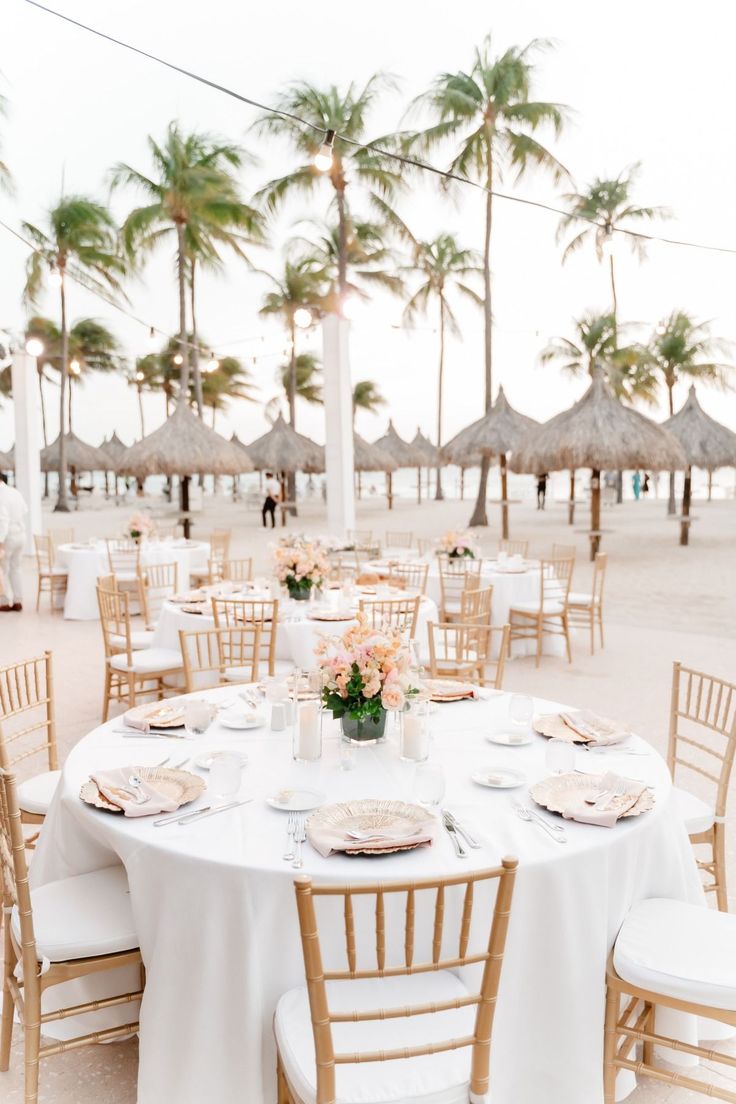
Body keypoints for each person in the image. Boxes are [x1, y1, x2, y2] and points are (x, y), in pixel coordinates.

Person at [0, 473, 28, 612]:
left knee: (3, 570)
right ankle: (18, 600)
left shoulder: (1, 494)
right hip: (21, 534)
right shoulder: (15, 492)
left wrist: (0, 541)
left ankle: (4, 601)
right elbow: (25, 510)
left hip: (7, 536)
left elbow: (3, 520)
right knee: (16, 568)